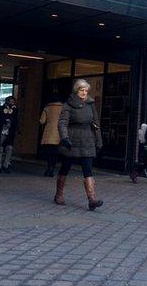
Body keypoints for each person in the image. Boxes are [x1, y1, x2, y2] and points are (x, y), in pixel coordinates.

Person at [55, 79, 103, 210]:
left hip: (87, 140)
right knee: (65, 167)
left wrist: (98, 141)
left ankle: (92, 198)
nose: (84, 92)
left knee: (88, 169)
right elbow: (62, 123)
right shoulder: (68, 105)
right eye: (82, 90)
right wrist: (64, 137)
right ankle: (59, 194)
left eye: (86, 90)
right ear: (77, 90)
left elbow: (96, 124)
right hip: (72, 140)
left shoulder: (90, 104)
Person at [0, 96, 19, 174]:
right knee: (0, 149)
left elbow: (16, 120)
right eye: (10, 101)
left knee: (9, 148)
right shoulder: (1, 109)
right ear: (7, 101)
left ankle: (6, 165)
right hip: (2, 131)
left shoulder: (15, 110)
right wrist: (5, 121)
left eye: (13, 102)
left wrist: (17, 129)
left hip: (11, 132)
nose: (12, 103)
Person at [39, 94, 63, 177]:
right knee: (55, 152)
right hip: (59, 132)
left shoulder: (47, 108)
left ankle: (48, 167)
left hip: (48, 132)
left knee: (49, 152)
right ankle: (53, 168)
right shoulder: (63, 108)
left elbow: (42, 121)